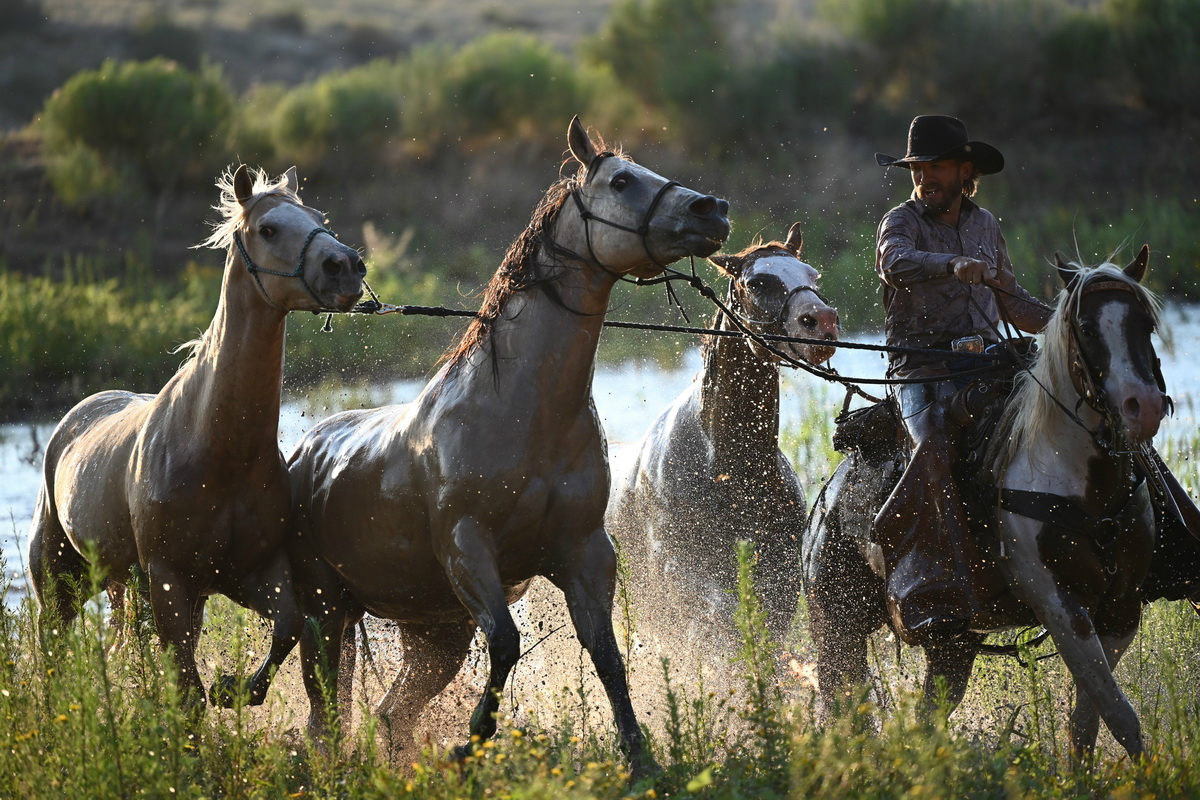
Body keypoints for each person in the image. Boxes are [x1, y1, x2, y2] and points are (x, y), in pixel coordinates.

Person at [871, 115, 1054, 645]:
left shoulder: (987, 226)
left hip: (990, 366)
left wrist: (1069, 319)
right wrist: (951, 264)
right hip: (920, 370)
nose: (926, 177)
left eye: (938, 167)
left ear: (964, 171)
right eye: (918, 168)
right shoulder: (899, 222)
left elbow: (1013, 301)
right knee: (932, 445)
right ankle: (931, 575)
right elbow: (895, 264)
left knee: (1071, 417)